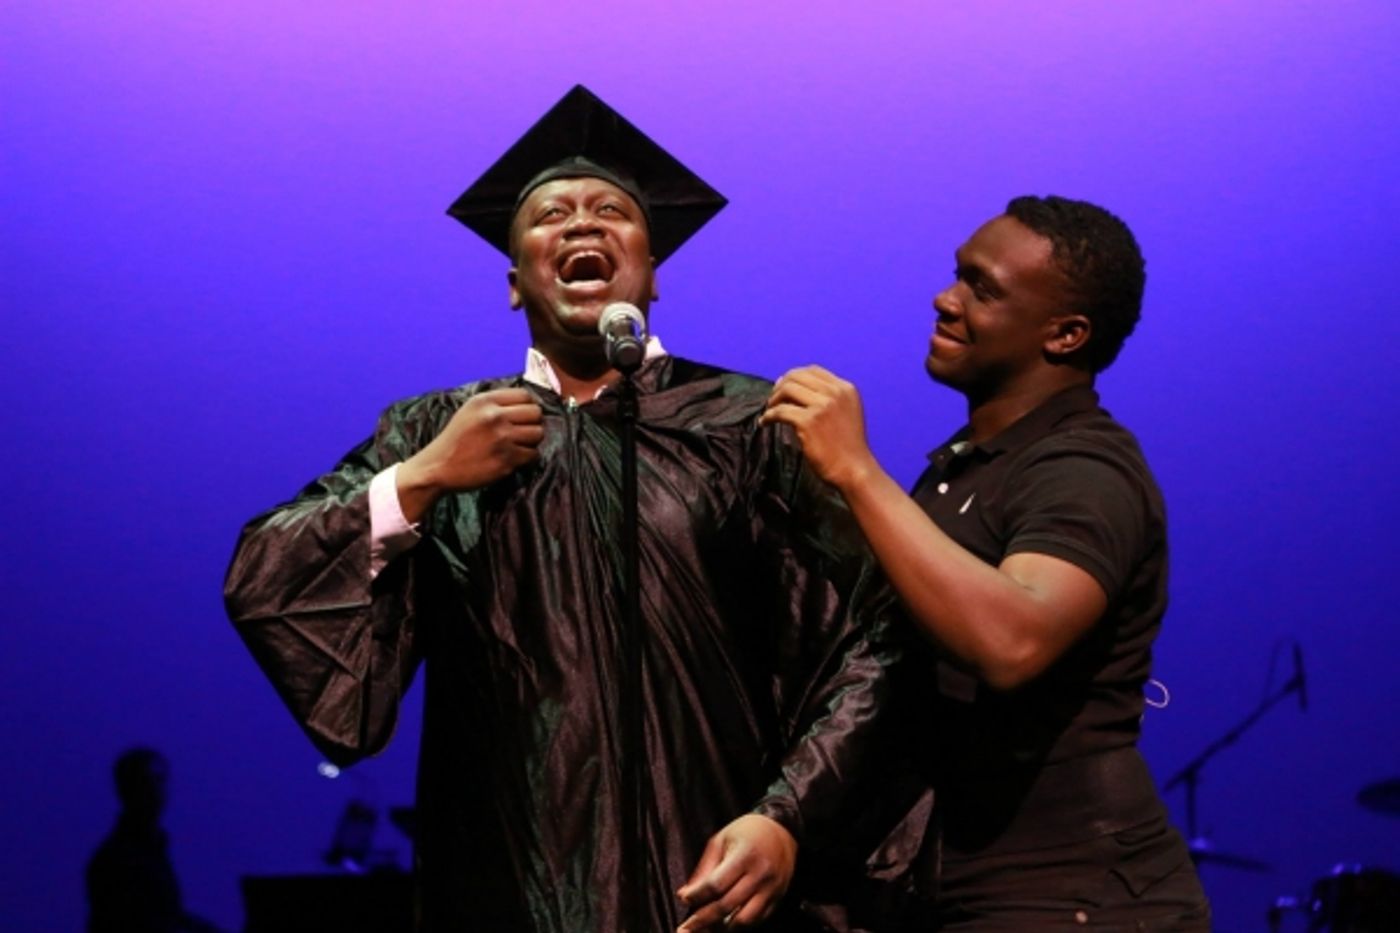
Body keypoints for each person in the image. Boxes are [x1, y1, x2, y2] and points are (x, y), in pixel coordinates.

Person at [223, 86, 895, 933]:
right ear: (513, 284)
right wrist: (425, 477)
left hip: (716, 868)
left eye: (611, 210)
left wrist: (787, 817)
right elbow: (266, 575)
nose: (581, 224)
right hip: (505, 875)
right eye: (550, 215)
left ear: (652, 272)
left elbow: (871, 637)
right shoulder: (436, 429)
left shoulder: (747, 422)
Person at [763, 196, 1211, 929]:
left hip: (1072, 897)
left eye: (983, 287)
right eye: (956, 275)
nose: (946, 299)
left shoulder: (1086, 468)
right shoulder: (964, 471)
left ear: (1065, 334)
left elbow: (1013, 640)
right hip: (956, 889)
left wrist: (856, 471)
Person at [86, 748, 222, 933]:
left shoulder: (152, 851)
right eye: (147, 782)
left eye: (161, 781)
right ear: (128, 788)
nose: (157, 790)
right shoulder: (113, 860)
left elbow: (168, 915)